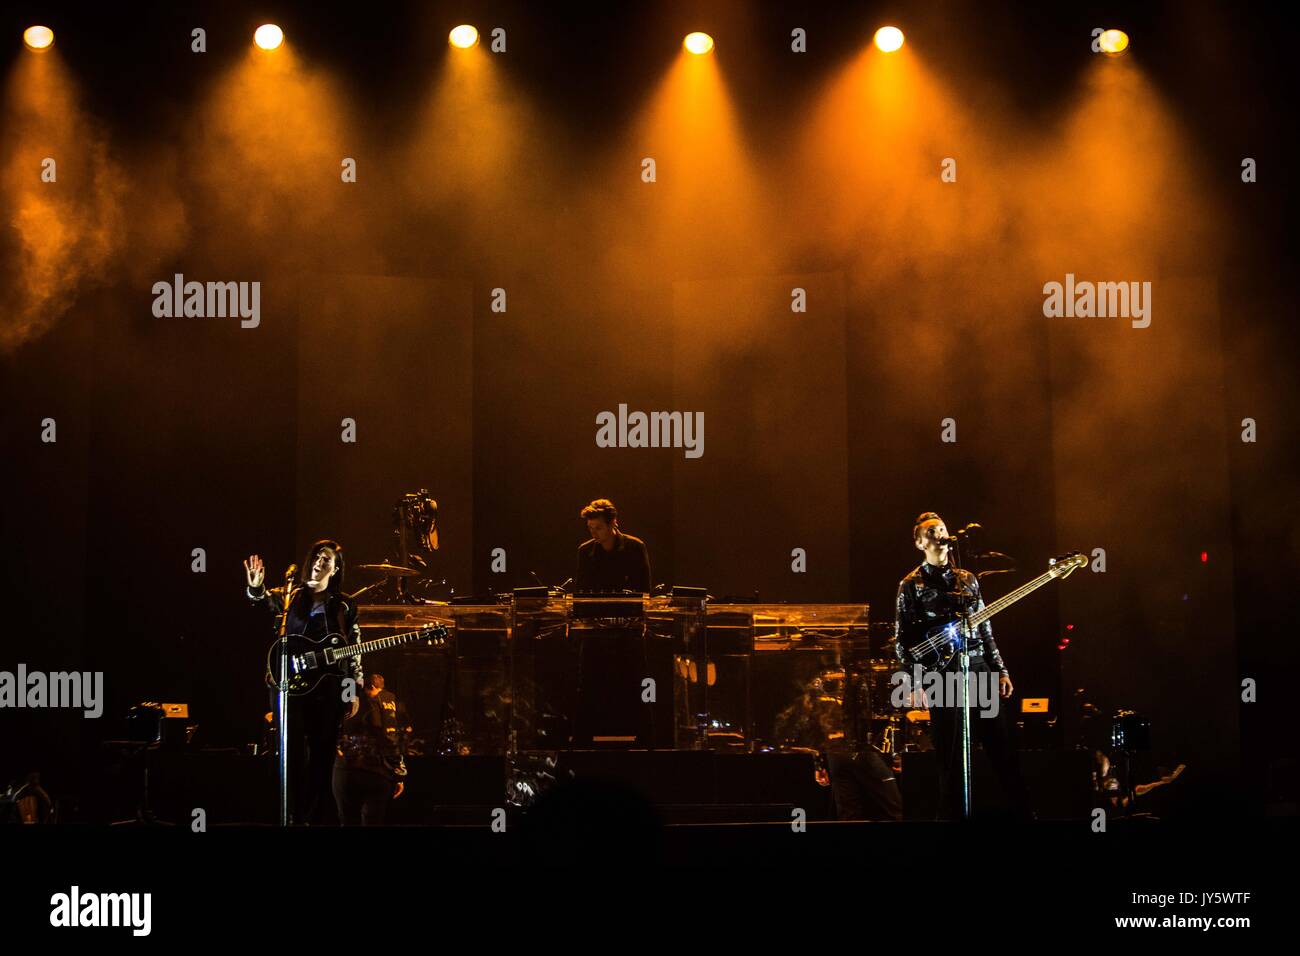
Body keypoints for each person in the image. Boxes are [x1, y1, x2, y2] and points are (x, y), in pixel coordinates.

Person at [893, 512, 1031, 820]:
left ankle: (1023, 817)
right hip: (943, 676)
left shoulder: (967, 579)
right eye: (931, 532)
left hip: (979, 667)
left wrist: (1000, 669)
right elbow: (902, 638)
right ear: (919, 542)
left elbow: (986, 627)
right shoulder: (910, 585)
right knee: (952, 756)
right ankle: (952, 821)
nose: (939, 534)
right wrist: (912, 684)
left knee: (1001, 749)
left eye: (941, 529)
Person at [245, 541, 363, 825]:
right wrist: (256, 587)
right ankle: (292, 816)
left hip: (328, 691)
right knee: (293, 755)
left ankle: (315, 818)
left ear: (335, 569)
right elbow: (263, 601)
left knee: (323, 758)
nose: (319, 562)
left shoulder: (344, 605)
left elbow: (354, 649)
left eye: (327, 559)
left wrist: (354, 690)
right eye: (317, 557)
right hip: (291, 688)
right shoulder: (291, 597)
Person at [333, 673, 408, 826]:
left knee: (346, 821)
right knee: (372, 821)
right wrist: (399, 772)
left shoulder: (346, 696)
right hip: (374, 770)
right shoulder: (385, 697)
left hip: (344, 770)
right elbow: (390, 736)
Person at [574, 499, 651, 593]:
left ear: (612, 524)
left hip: (628, 607)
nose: (593, 533)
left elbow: (644, 591)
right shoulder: (585, 550)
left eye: (598, 528)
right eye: (590, 527)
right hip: (595, 607)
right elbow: (581, 592)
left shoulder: (635, 547)